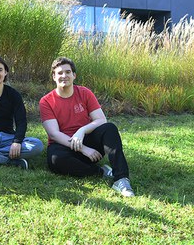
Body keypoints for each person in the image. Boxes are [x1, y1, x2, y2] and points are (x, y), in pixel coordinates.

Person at [39, 57, 135, 197]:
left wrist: (81, 131)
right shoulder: (46, 101)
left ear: (74, 75)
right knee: (55, 160)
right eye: (60, 73)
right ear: (54, 77)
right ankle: (100, 172)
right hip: (64, 145)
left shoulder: (84, 93)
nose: (64, 76)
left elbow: (101, 119)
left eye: (68, 72)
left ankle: (121, 179)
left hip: (87, 139)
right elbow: (54, 134)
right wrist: (83, 149)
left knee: (109, 128)